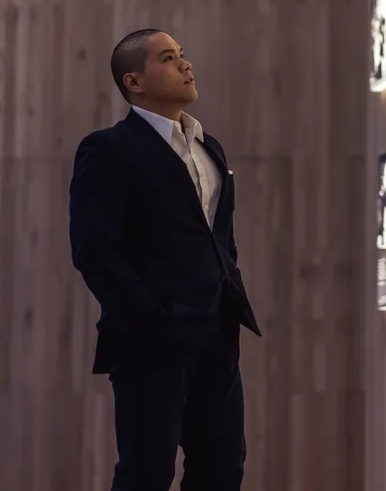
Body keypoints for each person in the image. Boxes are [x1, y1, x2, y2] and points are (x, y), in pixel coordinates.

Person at [69, 29, 260, 491]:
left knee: (222, 469)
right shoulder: (108, 149)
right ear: (134, 81)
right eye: (169, 58)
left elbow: (219, 240)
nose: (185, 65)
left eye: (183, 55)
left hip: (217, 332)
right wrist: (152, 318)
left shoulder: (208, 146)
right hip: (149, 339)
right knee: (147, 472)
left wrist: (225, 293)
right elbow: (95, 250)